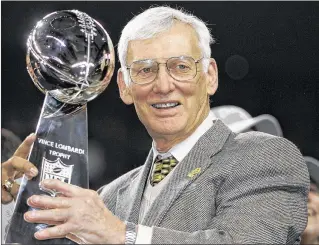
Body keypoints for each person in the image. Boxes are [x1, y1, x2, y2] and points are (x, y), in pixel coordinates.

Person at [1, 6, 310, 244]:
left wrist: (123, 234)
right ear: (123, 85)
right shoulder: (111, 196)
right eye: (145, 70)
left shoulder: (267, 157)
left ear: (210, 76)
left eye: (181, 66)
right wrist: (17, 207)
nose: (164, 85)